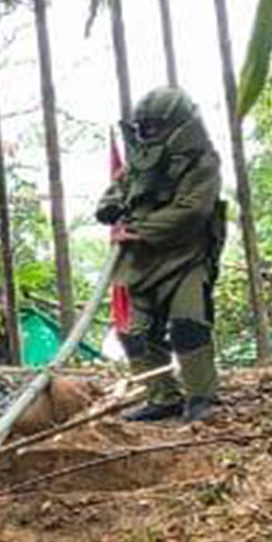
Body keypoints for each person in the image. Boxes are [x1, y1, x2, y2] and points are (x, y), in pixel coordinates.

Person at [96, 87, 226, 424]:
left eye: (157, 126)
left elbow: (193, 209)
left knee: (188, 325)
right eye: (145, 127)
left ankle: (202, 397)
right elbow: (113, 195)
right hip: (142, 262)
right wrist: (111, 209)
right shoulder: (136, 166)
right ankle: (162, 396)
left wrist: (141, 228)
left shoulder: (203, 161)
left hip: (186, 258)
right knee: (135, 333)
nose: (150, 134)